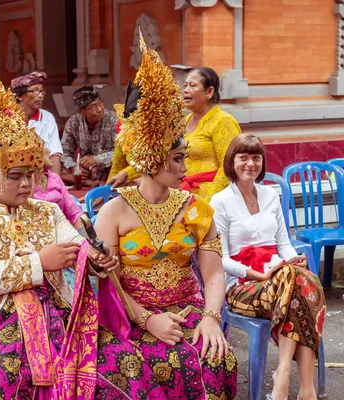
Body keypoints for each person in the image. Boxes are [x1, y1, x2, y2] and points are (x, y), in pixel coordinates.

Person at [0, 62, 119, 398]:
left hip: (57, 311)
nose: (27, 184)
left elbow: (73, 243)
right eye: (15, 176)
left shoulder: (47, 210)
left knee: (111, 367)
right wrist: (39, 263)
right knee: (0, 384)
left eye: (31, 174)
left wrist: (94, 257)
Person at [93, 36, 237, 398]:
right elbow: (107, 284)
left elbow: (214, 273)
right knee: (126, 369)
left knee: (216, 360)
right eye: (177, 159)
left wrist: (210, 317)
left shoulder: (197, 209)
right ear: (153, 160)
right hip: (128, 319)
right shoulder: (113, 213)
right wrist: (147, 319)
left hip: (188, 311)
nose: (185, 167)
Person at [210, 133, 325, 400]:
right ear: (232, 161)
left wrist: (294, 258)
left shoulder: (270, 196)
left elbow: (283, 244)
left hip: (278, 277)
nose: (250, 163)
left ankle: (288, 379)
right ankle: (296, 383)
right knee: (300, 285)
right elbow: (220, 258)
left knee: (302, 281)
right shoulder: (220, 201)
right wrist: (255, 274)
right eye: (243, 157)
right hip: (242, 285)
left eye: (256, 157)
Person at [182, 67, 241, 202]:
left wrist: (208, 203)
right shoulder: (184, 121)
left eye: (192, 85)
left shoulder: (223, 121)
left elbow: (229, 167)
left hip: (214, 201)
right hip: (185, 195)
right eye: (185, 85)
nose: (185, 90)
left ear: (209, 92)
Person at [60, 86, 117, 186]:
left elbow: (123, 152)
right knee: (59, 173)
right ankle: (88, 182)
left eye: (100, 103)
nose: (100, 109)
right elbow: (64, 152)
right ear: (81, 111)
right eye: (93, 106)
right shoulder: (74, 122)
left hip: (109, 167)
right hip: (85, 168)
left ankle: (94, 182)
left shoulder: (114, 120)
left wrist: (97, 160)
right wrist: (74, 167)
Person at [11, 71, 62, 175]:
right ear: (20, 96)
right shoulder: (4, 119)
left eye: (42, 91)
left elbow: (54, 154)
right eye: (35, 91)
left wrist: (57, 184)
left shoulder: (47, 118)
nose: (40, 96)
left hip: (41, 177)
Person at [33, 146, 84, 231]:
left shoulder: (54, 178)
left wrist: (86, 241)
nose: (49, 150)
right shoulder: (24, 185)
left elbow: (75, 215)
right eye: (43, 144)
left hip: (63, 233)